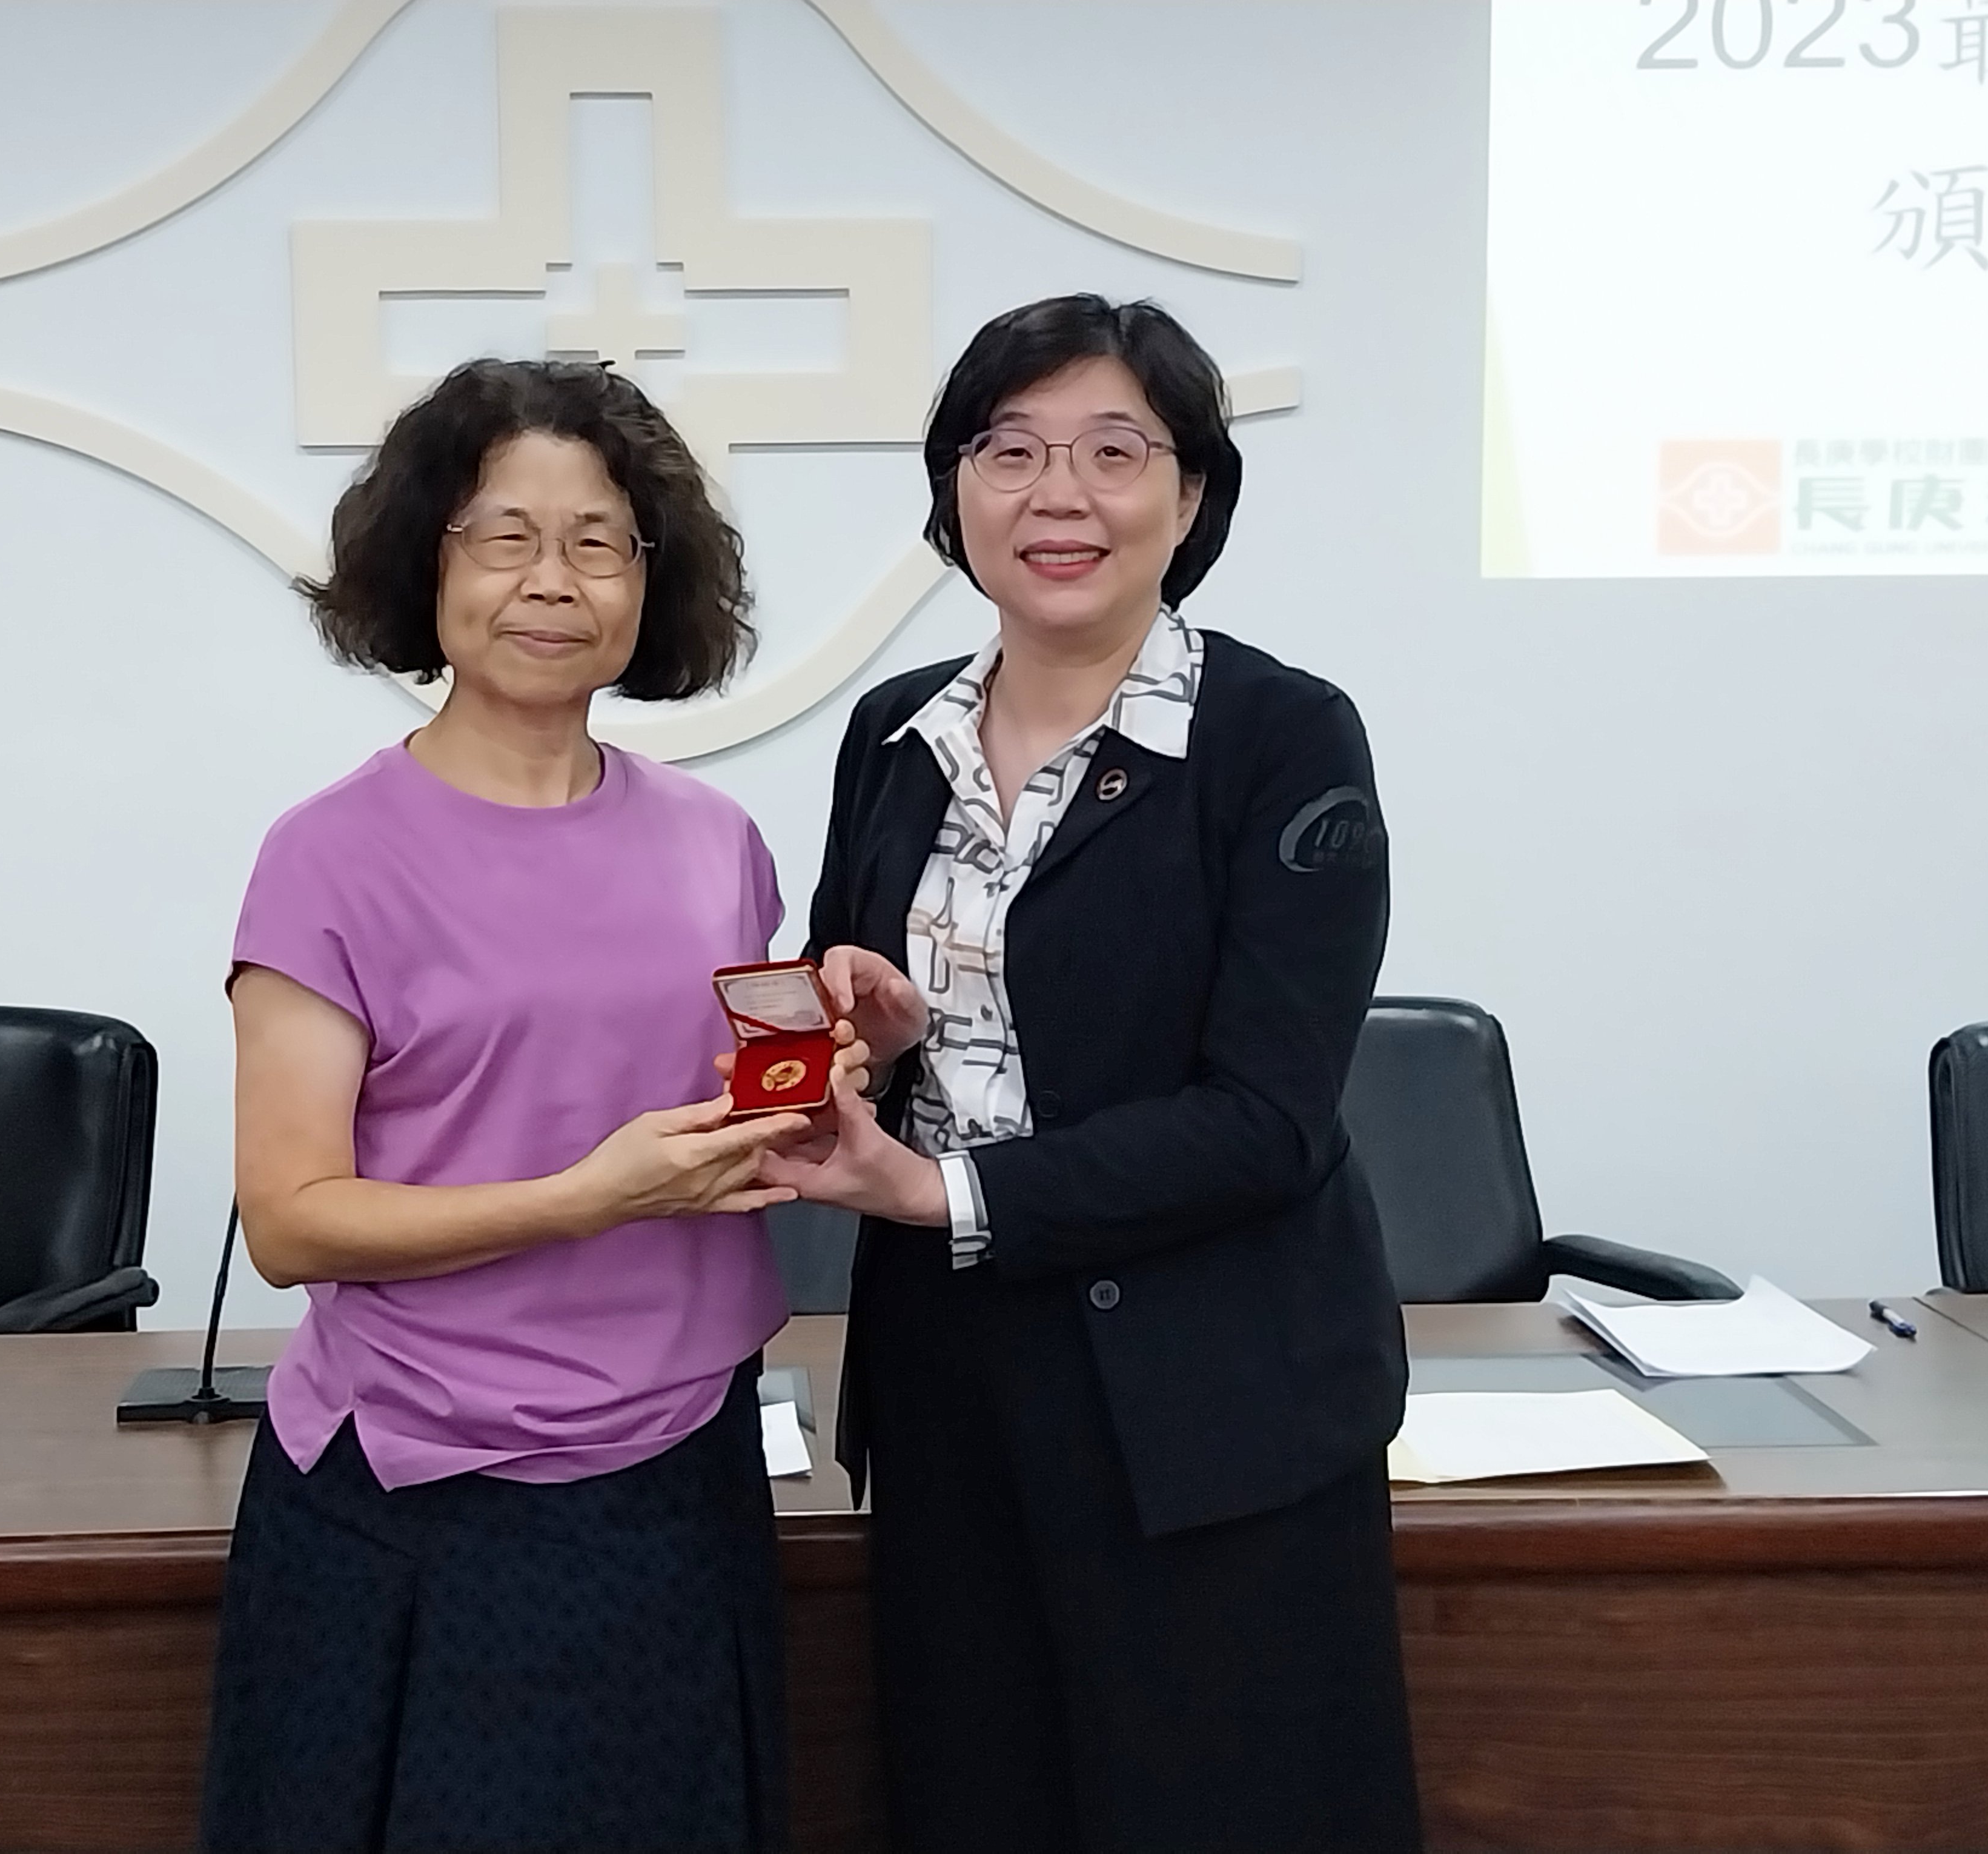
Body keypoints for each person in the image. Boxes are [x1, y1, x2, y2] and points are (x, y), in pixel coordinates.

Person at [760, 296, 1423, 1852]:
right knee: (976, 1800)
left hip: (1214, 1403)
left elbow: (1266, 1121)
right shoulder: (893, 735)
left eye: (1115, 452)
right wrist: (870, 1035)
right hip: (951, 1392)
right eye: (1011, 451)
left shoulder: (1282, 739)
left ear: (1191, 498)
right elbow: (874, 1014)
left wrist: (939, 1189)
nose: (1058, 496)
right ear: (955, 489)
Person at [201, 357, 844, 1854]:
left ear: (649, 581)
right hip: (425, 1495)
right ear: (423, 564)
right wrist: (585, 1201)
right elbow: (291, 1224)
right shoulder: (327, 857)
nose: (552, 580)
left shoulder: (718, 842)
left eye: (598, 541)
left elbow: (737, 1122)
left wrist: (830, 1077)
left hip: (684, 1479)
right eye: (504, 536)